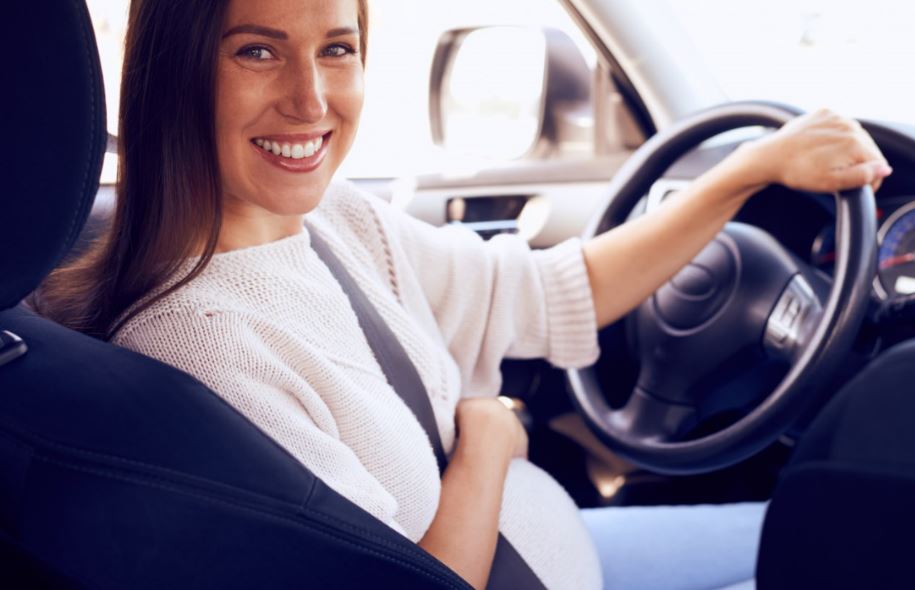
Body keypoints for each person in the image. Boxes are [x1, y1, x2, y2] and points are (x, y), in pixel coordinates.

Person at [34, 0, 890, 588]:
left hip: (565, 551)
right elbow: (413, 583)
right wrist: (487, 438)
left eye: (336, 48)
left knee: (847, 539)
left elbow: (557, 292)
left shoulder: (334, 220)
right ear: (174, 75)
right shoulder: (202, 343)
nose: (312, 98)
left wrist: (747, 171)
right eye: (257, 50)